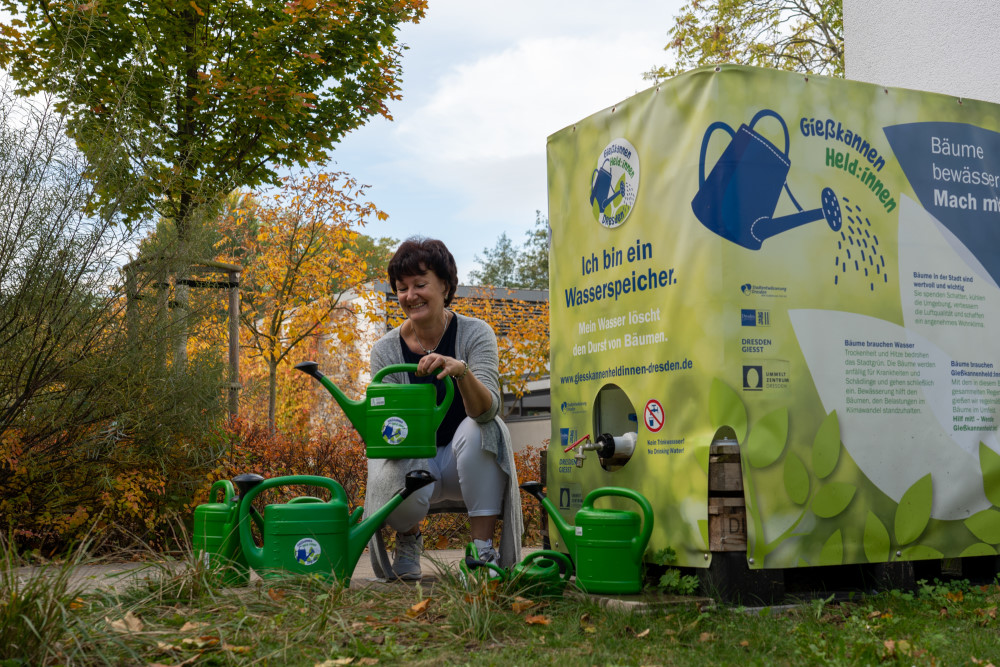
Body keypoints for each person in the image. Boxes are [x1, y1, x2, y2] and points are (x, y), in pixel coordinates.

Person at [362, 237, 523, 581]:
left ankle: (482, 551)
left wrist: (461, 369)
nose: (410, 295)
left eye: (420, 284)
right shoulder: (385, 351)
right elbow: (387, 429)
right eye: (402, 288)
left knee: (486, 428)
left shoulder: (476, 333)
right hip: (416, 462)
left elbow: (487, 409)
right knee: (396, 452)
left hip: (464, 461)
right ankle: (408, 539)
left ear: (445, 286)